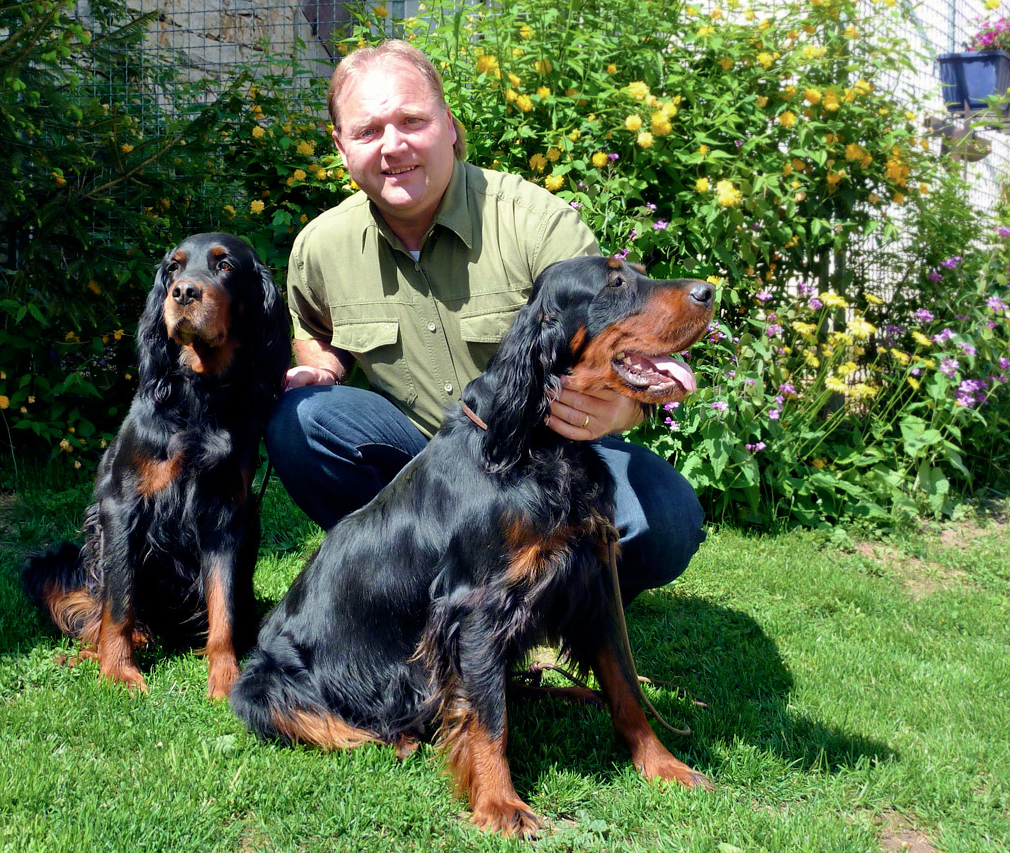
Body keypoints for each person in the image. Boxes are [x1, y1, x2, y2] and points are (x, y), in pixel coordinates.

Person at [266, 39, 704, 601]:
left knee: (661, 519)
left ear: (449, 124)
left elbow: (617, 335)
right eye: (368, 132)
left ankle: (551, 600)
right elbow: (319, 335)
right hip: (423, 461)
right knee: (300, 418)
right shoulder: (321, 248)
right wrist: (322, 370)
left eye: (412, 121)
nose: (393, 146)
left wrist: (621, 407)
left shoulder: (536, 224)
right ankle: (397, 595)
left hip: (548, 459)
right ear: (342, 146)